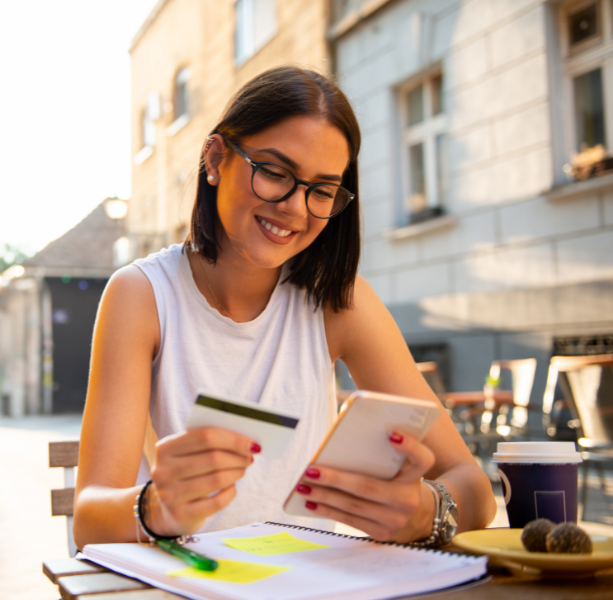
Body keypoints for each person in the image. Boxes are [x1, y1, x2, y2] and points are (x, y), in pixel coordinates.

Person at [73, 66, 496, 549]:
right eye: (275, 173)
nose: (295, 207)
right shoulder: (142, 295)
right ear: (215, 158)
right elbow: (89, 519)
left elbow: (475, 489)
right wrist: (154, 507)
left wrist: (427, 511)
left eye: (321, 190)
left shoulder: (338, 300)